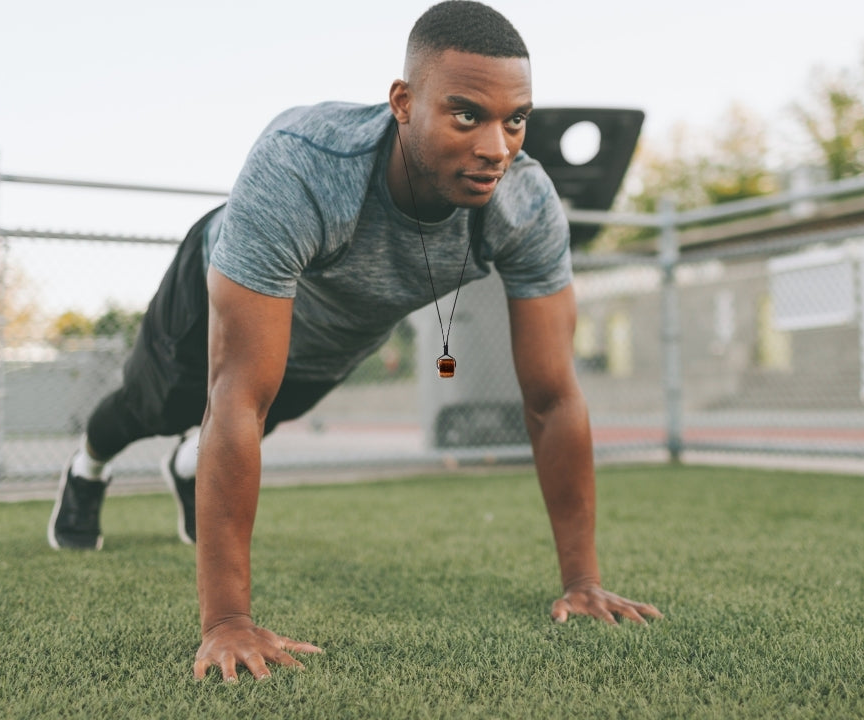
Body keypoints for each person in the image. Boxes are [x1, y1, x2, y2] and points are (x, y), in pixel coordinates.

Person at [48, 0, 662, 682]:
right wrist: (227, 623)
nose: (496, 147)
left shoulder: (525, 204)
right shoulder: (303, 163)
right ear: (403, 102)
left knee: (266, 413)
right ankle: (88, 468)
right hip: (218, 300)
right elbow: (236, 393)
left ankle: (190, 466)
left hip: (332, 342)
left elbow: (552, 396)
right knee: (153, 408)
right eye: (466, 114)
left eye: (514, 120)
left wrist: (583, 580)